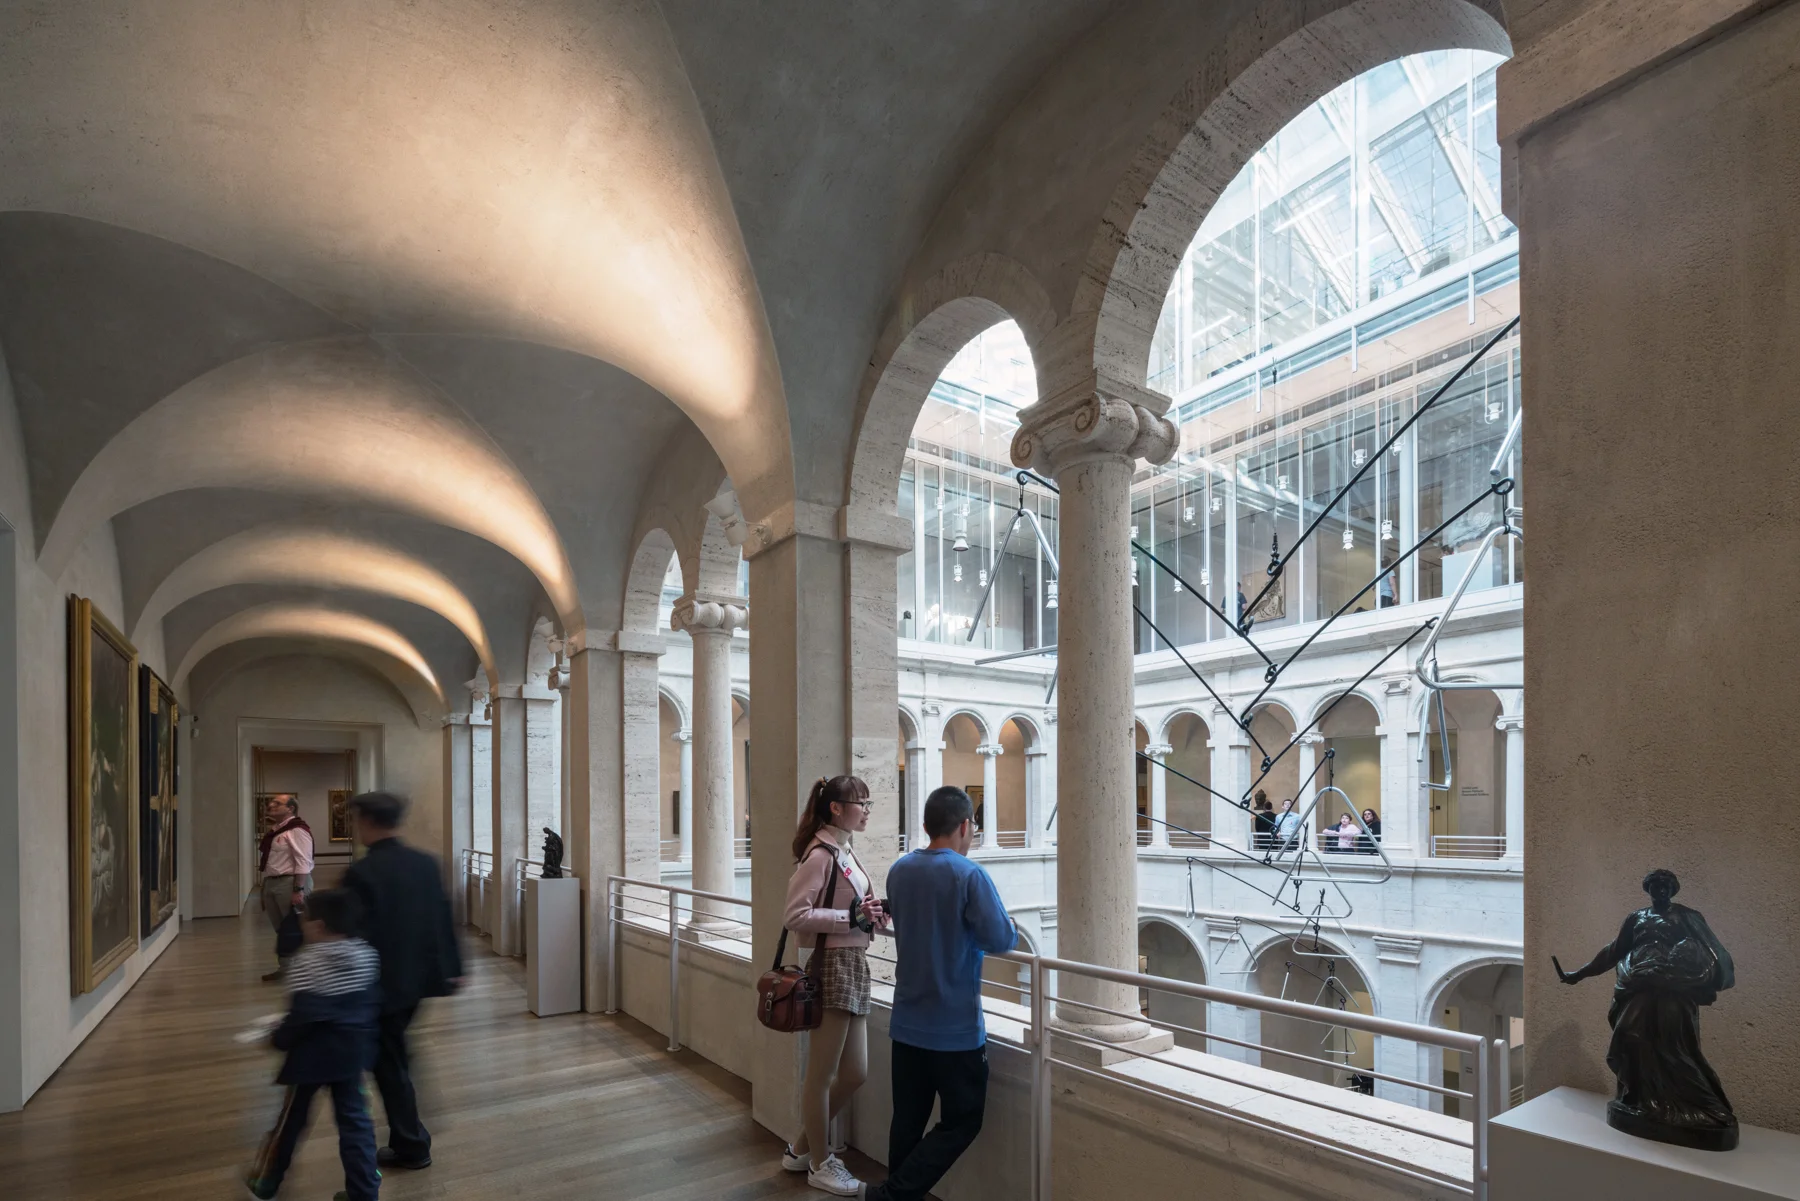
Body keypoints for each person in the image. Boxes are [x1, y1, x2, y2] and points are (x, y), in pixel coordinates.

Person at [866, 786, 1016, 1201]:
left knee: (908, 1121)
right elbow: (1002, 937)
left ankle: (893, 1194)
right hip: (955, 1030)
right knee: (963, 1120)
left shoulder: (900, 870)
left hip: (907, 1022)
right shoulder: (969, 874)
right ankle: (892, 1196)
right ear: (965, 826)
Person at [341, 791, 463, 1173]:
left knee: (389, 1063)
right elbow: (442, 918)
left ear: (368, 821)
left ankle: (412, 1144)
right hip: (417, 981)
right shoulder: (424, 863)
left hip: (380, 985)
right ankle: (411, 1130)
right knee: (394, 1053)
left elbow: (353, 936)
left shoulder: (362, 872)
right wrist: (453, 967)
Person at [780, 775, 886, 1197]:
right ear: (836, 808)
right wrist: (851, 919)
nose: (866, 809)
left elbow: (852, 908)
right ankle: (821, 1163)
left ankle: (802, 1147)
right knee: (822, 1074)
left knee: (856, 1072)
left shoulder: (844, 850)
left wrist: (871, 914)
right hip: (833, 963)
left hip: (853, 961)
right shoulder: (821, 854)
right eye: (860, 802)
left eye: (867, 802)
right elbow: (795, 915)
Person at [245, 887, 381, 1201]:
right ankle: (364, 1192)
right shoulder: (367, 955)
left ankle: (266, 1183)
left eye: (304, 919)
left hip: (310, 1059)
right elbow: (371, 1004)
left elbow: (301, 1016)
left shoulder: (305, 964)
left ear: (318, 927)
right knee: (356, 1124)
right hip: (352, 1054)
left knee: (290, 1123)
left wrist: (277, 1038)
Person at [259, 795, 315, 982]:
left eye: (277, 804)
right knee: (281, 929)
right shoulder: (277, 831)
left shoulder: (298, 830)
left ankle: (306, 971)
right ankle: (286, 969)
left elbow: (303, 861)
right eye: (271, 803)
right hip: (272, 883)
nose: (271, 805)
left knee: (296, 927)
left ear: (290, 808)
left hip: (289, 883)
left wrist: (298, 889)